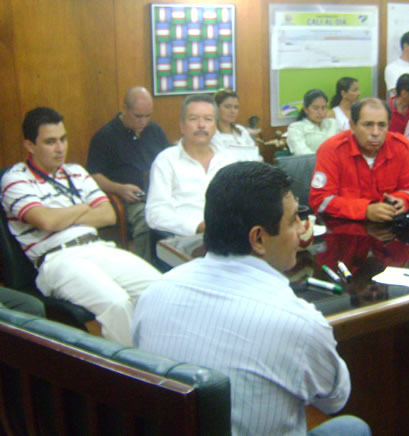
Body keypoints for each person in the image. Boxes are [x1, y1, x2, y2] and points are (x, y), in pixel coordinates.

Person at [133, 161, 370, 436]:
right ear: (258, 238)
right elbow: (334, 400)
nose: (301, 229)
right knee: (352, 428)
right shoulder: (300, 324)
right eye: (293, 219)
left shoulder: (154, 294)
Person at [1, 107, 160, 345]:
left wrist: (61, 216)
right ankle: (132, 367)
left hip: (97, 247)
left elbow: (108, 215)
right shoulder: (15, 179)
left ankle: (162, 358)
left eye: (63, 139)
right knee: (116, 304)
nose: (60, 148)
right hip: (57, 259)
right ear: (30, 146)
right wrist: (83, 207)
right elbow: (46, 221)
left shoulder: (76, 172)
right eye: (50, 142)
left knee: (158, 290)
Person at [87, 86, 169, 263]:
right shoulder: (105, 136)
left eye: (147, 116)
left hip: (158, 192)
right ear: (124, 109)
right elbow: (93, 176)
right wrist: (119, 188)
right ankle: (144, 267)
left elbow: (169, 159)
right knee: (146, 219)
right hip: (126, 198)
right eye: (138, 116)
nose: (143, 122)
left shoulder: (154, 131)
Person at [308, 97, 409, 222]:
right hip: (344, 227)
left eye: (382, 125)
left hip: (391, 224)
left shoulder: (401, 146)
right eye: (368, 125)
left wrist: (402, 200)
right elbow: (320, 200)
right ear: (352, 126)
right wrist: (365, 210)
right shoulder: (331, 150)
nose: (375, 132)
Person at [145, 94, 236, 237]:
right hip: (186, 239)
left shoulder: (228, 160)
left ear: (215, 126)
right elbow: (155, 213)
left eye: (208, 119)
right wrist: (197, 226)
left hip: (228, 237)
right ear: (182, 126)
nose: (201, 125)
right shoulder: (166, 161)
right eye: (193, 119)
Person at [211, 89, 262, 162]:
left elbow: (255, 155)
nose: (233, 111)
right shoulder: (211, 133)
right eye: (228, 107)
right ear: (216, 108)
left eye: (236, 107)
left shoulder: (241, 130)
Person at [286, 89, 340, 155]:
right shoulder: (295, 128)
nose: (320, 112)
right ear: (306, 109)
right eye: (315, 108)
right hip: (311, 161)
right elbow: (301, 153)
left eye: (323, 108)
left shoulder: (332, 123)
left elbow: (340, 148)